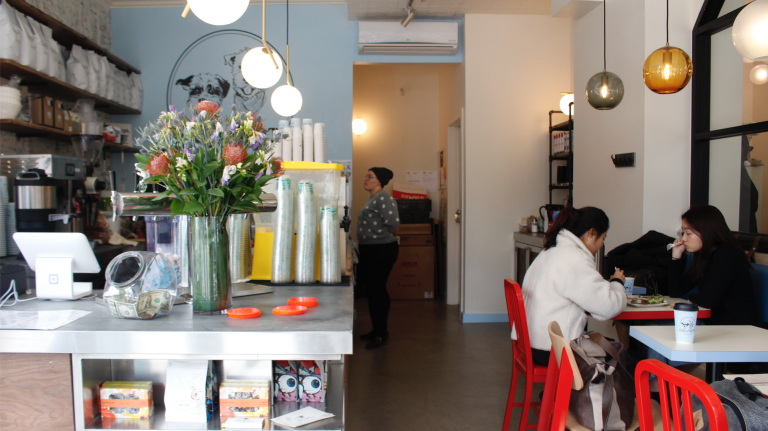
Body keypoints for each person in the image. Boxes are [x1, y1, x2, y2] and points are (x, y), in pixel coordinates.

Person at [518, 206, 627, 366]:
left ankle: (563, 392)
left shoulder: (550, 252)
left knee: (607, 344)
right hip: (551, 350)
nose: (600, 247)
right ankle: (584, 391)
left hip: (532, 343)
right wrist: (617, 283)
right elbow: (608, 307)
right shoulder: (575, 260)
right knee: (619, 354)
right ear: (591, 233)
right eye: (603, 238)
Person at [669, 205, 758, 326]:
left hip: (735, 329)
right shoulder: (704, 256)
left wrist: (690, 298)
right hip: (714, 324)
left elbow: (707, 301)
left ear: (707, 231)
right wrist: (676, 256)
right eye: (683, 232)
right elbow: (675, 291)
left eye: (688, 233)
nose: (683, 239)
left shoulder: (728, 254)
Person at [357, 167, 400, 349]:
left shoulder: (383, 197)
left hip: (381, 250)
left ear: (379, 181)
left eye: (370, 176)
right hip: (371, 250)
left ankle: (381, 333)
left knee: (378, 291)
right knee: (373, 291)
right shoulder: (374, 198)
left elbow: (394, 225)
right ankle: (377, 330)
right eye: (366, 175)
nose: (365, 179)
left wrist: (380, 235)